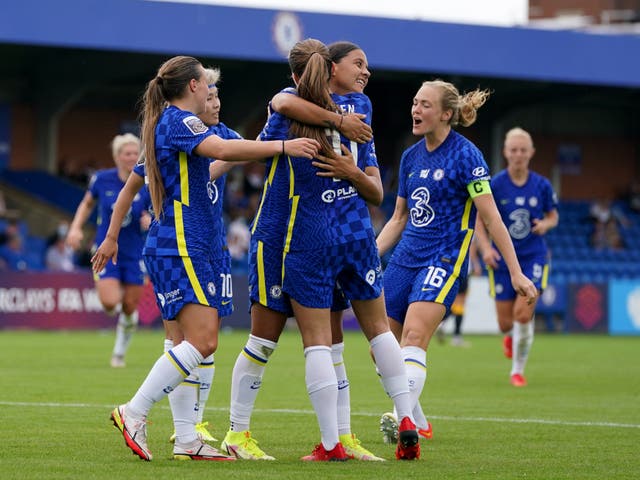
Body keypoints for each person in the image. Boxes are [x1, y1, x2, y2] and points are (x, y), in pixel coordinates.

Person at [91, 55, 319, 462]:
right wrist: (284, 145)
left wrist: (281, 118)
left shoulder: (177, 125)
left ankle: (186, 440)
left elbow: (224, 155)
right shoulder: (179, 122)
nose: (213, 95)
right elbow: (221, 149)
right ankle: (134, 411)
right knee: (204, 341)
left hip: (185, 244)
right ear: (194, 86)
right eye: (208, 87)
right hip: (181, 243)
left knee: (183, 343)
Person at [220, 40, 389, 462]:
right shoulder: (292, 109)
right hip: (278, 239)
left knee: (328, 344)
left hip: (312, 240)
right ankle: (237, 433)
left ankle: (341, 438)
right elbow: (271, 120)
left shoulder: (339, 108)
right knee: (267, 340)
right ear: (321, 71)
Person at [375, 81, 538, 442]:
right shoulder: (410, 157)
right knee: (382, 348)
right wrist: (368, 257)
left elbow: (492, 217)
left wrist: (515, 272)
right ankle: (416, 417)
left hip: (443, 257)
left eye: (425, 105)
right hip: (404, 259)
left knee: (415, 336)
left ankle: (400, 421)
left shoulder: (467, 156)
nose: (416, 110)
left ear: (446, 114)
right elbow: (399, 217)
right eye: (414, 103)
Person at [474, 127, 558, 387]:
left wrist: (545, 224)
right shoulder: (495, 184)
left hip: (533, 256)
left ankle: (517, 371)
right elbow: (479, 219)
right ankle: (510, 337)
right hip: (501, 259)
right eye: (514, 150)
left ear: (531, 153)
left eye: (523, 150)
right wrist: (486, 248)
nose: (518, 155)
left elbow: (553, 216)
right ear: (505, 152)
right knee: (504, 323)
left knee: (523, 314)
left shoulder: (542, 185)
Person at [66, 133, 150, 368]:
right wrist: (75, 228)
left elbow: (157, 210)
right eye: (127, 153)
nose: (132, 157)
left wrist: (149, 219)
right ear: (117, 157)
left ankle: (119, 353)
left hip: (135, 252)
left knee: (131, 307)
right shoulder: (102, 180)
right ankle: (117, 300)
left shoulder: (147, 180)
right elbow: (87, 204)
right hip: (106, 249)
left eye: (136, 153)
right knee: (110, 302)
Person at [436, 236, 482, 347]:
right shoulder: (472, 230)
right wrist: (476, 265)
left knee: (454, 303)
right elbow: (472, 251)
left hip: (452, 266)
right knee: (460, 303)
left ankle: (442, 322)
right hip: (465, 269)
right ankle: (456, 336)